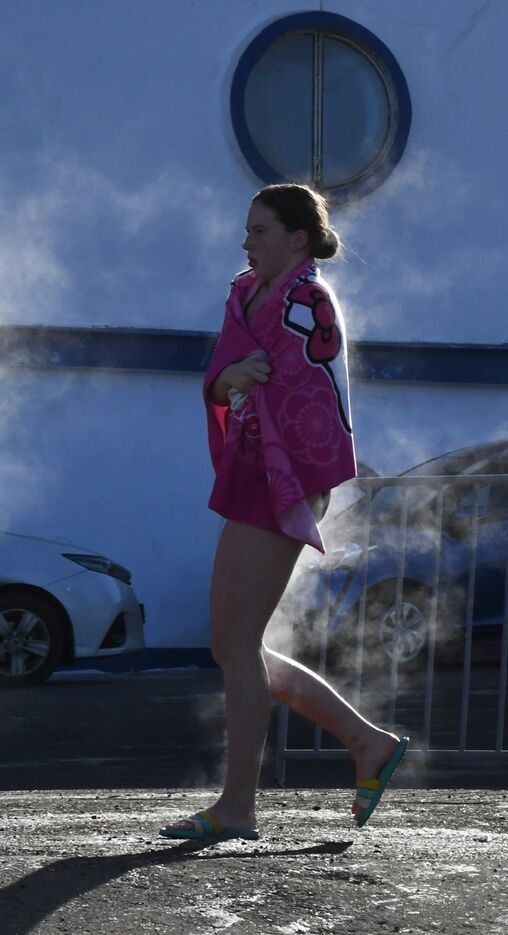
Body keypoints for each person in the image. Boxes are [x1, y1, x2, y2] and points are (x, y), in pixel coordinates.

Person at [161, 184, 407, 842]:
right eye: (247, 230)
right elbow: (220, 378)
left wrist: (248, 384)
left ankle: (239, 805)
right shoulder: (246, 295)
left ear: (297, 238)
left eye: (260, 230)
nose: (246, 241)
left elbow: (315, 403)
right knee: (232, 644)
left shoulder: (309, 300)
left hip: (284, 475)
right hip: (255, 468)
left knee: (235, 643)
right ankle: (366, 741)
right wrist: (235, 373)